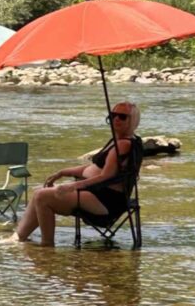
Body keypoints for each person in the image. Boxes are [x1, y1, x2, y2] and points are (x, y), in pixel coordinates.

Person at [9, 101, 141, 247]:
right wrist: (62, 172)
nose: (116, 119)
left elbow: (105, 176)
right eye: (113, 115)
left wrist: (73, 186)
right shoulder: (119, 140)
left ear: (133, 120)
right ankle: (19, 237)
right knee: (38, 193)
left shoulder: (123, 144)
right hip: (97, 194)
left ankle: (47, 246)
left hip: (106, 201)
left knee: (42, 196)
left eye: (122, 116)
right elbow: (94, 168)